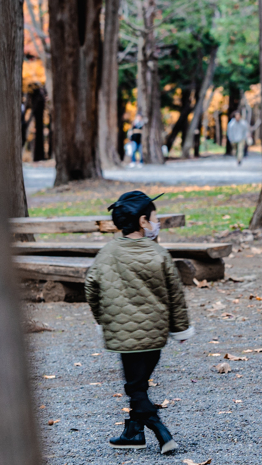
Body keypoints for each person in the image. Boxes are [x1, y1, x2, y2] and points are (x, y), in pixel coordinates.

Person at [85, 191, 194, 454]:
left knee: (135, 388)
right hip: (155, 334)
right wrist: (181, 327)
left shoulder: (107, 253)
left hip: (123, 335)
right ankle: (133, 433)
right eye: (155, 218)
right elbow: (175, 293)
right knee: (139, 385)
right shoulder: (158, 253)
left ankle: (161, 432)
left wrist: (102, 319)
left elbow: (91, 287)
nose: (157, 223)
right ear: (143, 221)